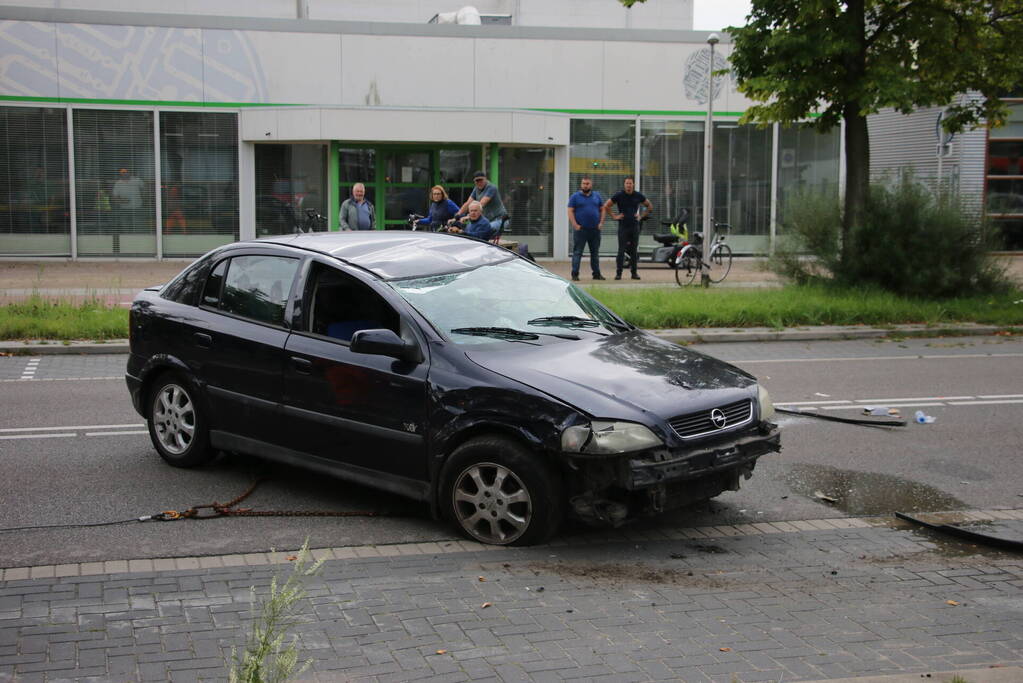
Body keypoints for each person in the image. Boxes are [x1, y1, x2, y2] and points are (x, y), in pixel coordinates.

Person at [603, 177, 652, 280]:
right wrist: (614, 216)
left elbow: (649, 206)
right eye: (627, 183)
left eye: (630, 183)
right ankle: (618, 273)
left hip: (634, 226)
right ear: (624, 184)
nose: (628, 185)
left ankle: (634, 273)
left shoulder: (638, 195)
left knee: (634, 251)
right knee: (621, 251)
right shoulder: (619, 195)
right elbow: (607, 205)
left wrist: (641, 216)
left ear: (633, 184)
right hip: (623, 226)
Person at [567, 176, 606, 281]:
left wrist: (601, 222)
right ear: (581, 184)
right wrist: (575, 224)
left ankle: (596, 274)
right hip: (581, 230)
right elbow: (570, 210)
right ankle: (575, 274)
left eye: (587, 183)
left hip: (595, 230)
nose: (585, 185)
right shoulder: (575, 197)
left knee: (595, 253)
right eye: (583, 183)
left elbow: (602, 209)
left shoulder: (597, 196)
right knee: (578, 252)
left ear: (591, 184)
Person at [111, 167, 145, 231]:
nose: (124, 174)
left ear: (129, 173)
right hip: (124, 209)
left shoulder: (137, 180)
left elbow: (145, 190)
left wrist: (143, 198)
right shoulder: (118, 183)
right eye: (122, 172)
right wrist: (122, 200)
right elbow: (115, 197)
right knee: (125, 227)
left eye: (126, 172)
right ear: (120, 174)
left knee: (137, 226)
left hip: (137, 208)